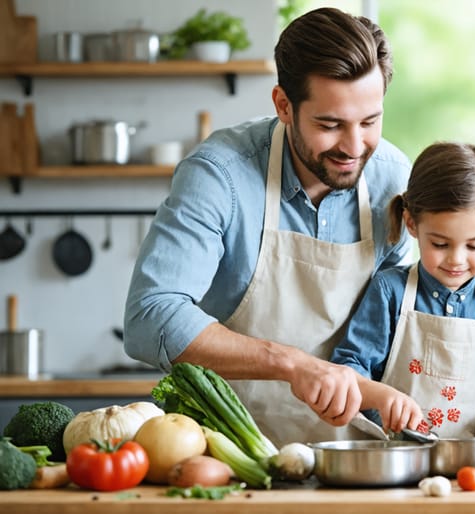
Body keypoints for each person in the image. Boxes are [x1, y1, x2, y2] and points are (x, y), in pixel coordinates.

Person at [123, 7, 414, 446]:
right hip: (225, 449)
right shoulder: (220, 174)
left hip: (352, 451)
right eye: (330, 124)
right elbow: (150, 316)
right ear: (283, 105)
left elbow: (396, 314)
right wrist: (292, 364)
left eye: (370, 121)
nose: (355, 147)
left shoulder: (393, 178)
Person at [331, 142, 475, 439]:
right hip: (393, 458)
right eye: (440, 244)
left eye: (474, 245)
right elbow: (349, 367)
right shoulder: (390, 291)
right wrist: (381, 398)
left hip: (468, 469)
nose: (457, 259)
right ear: (411, 224)